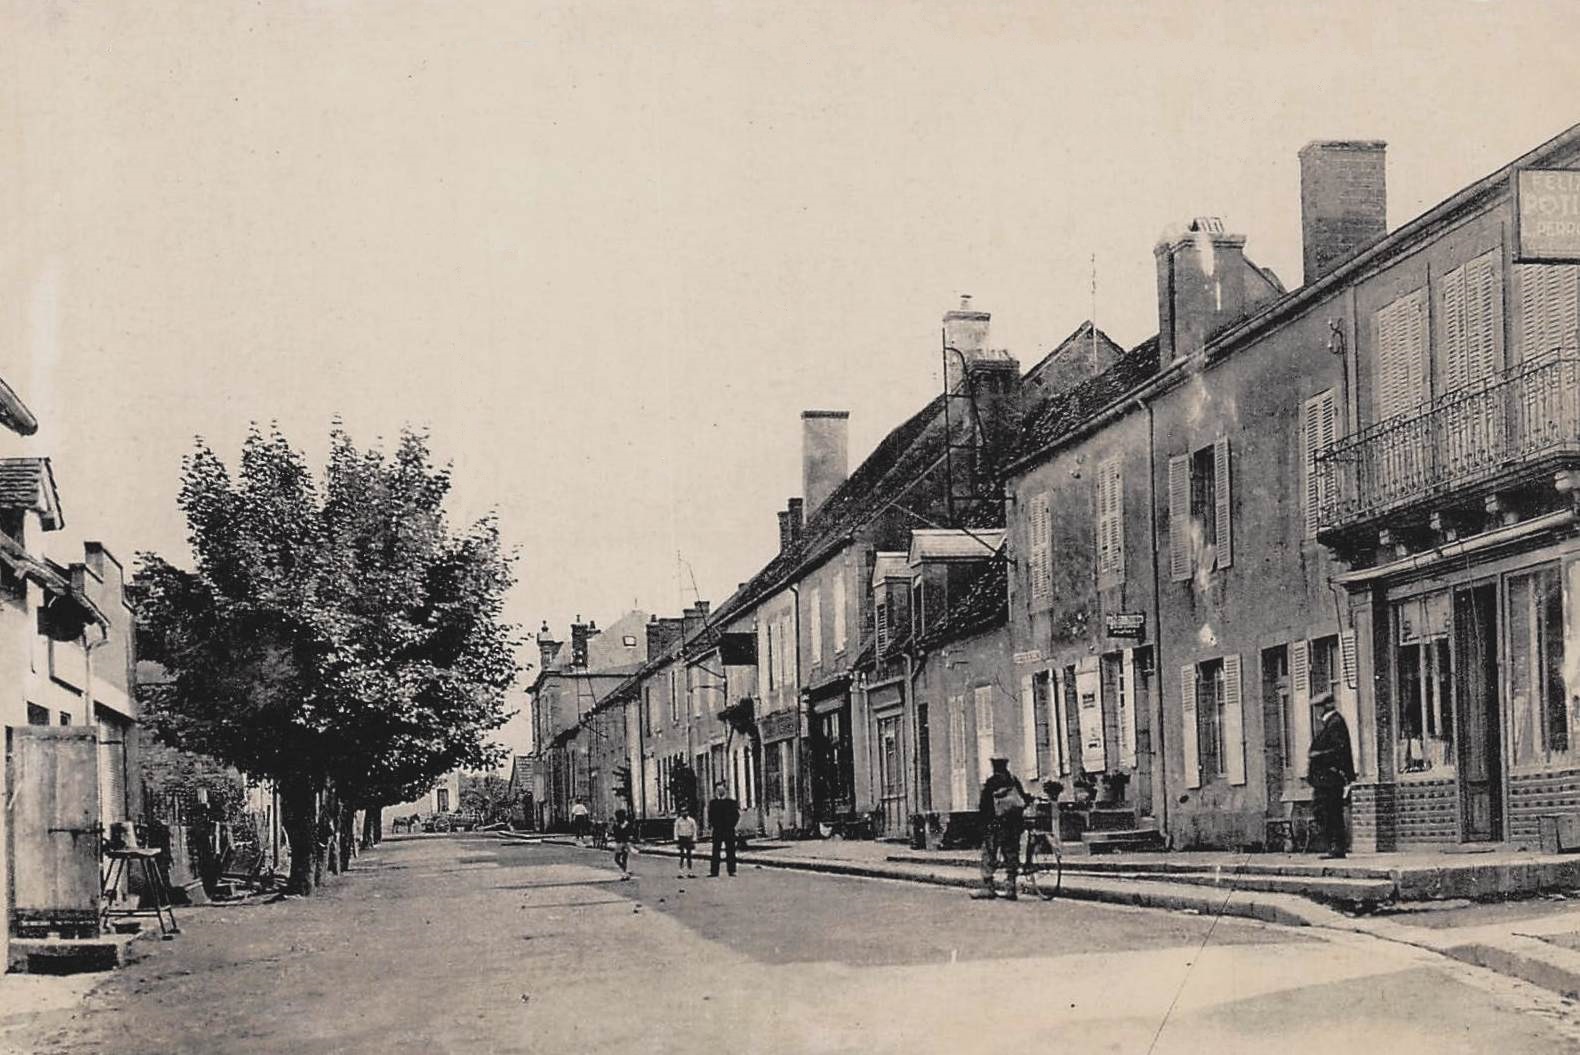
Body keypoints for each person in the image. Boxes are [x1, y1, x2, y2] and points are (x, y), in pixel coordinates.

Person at [1307, 691, 1357, 859]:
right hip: (1324, 779)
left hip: (1330, 778)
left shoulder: (1335, 723)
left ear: (1327, 706)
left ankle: (1337, 847)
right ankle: (1334, 846)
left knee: (1329, 812)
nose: (1316, 711)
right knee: (1324, 811)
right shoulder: (1329, 723)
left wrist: (1318, 755)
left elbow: (1339, 750)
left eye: (1318, 707)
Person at [972, 756, 1027, 900]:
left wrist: (983, 824)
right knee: (1011, 853)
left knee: (989, 853)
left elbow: (984, 806)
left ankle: (988, 887)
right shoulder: (1013, 780)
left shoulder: (991, 782)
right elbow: (1023, 799)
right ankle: (1011, 887)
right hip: (1014, 823)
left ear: (994, 766)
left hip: (995, 824)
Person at [706, 781, 740, 878]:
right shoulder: (713, 803)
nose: (720, 791)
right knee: (716, 851)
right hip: (717, 830)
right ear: (716, 791)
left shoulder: (731, 802)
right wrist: (714, 825)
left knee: (731, 850)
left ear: (725, 790)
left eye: (722, 789)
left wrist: (731, 825)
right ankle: (714, 871)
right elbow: (710, 816)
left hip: (729, 830)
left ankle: (732, 870)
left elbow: (736, 816)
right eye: (718, 789)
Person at [610, 808, 635, 880]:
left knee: (621, 858)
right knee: (619, 859)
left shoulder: (623, 825)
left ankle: (625, 873)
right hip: (622, 843)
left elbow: (616, 833)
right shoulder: (622, 824)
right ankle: (625, 872)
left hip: (623, 843)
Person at [673, 810, 699, 878]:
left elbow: (694, 830)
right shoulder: (678, 821)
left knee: (689, 855)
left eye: (685, 811)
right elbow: (676, 830)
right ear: (681, 813)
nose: (684, 813)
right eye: (682, 812)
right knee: (682, 855)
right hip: (682, 838)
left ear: (688, 812)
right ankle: (680, 872)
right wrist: (676, 839)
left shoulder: (691, 820)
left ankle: (690, 872)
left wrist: (694, 839)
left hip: (688, 838)